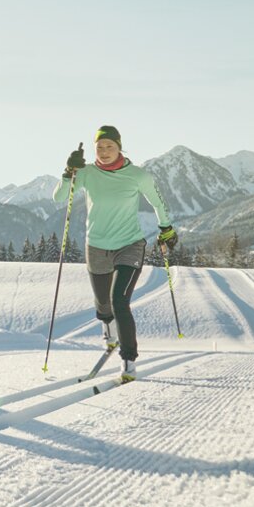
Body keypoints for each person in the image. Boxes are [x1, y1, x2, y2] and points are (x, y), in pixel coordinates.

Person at [54, 125, 175, 383]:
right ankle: (109, 336)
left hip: (129, 245)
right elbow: (59, 197)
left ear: (120, 147)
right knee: (103, 305)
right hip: (96, 245)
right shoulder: (86, 173)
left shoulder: (137, 175)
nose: (105, 151)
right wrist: (68, 172)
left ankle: (128, 361)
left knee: (119, 301)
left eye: (110, 146)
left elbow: (157, 201)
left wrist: (166, 227)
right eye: (100, 147)